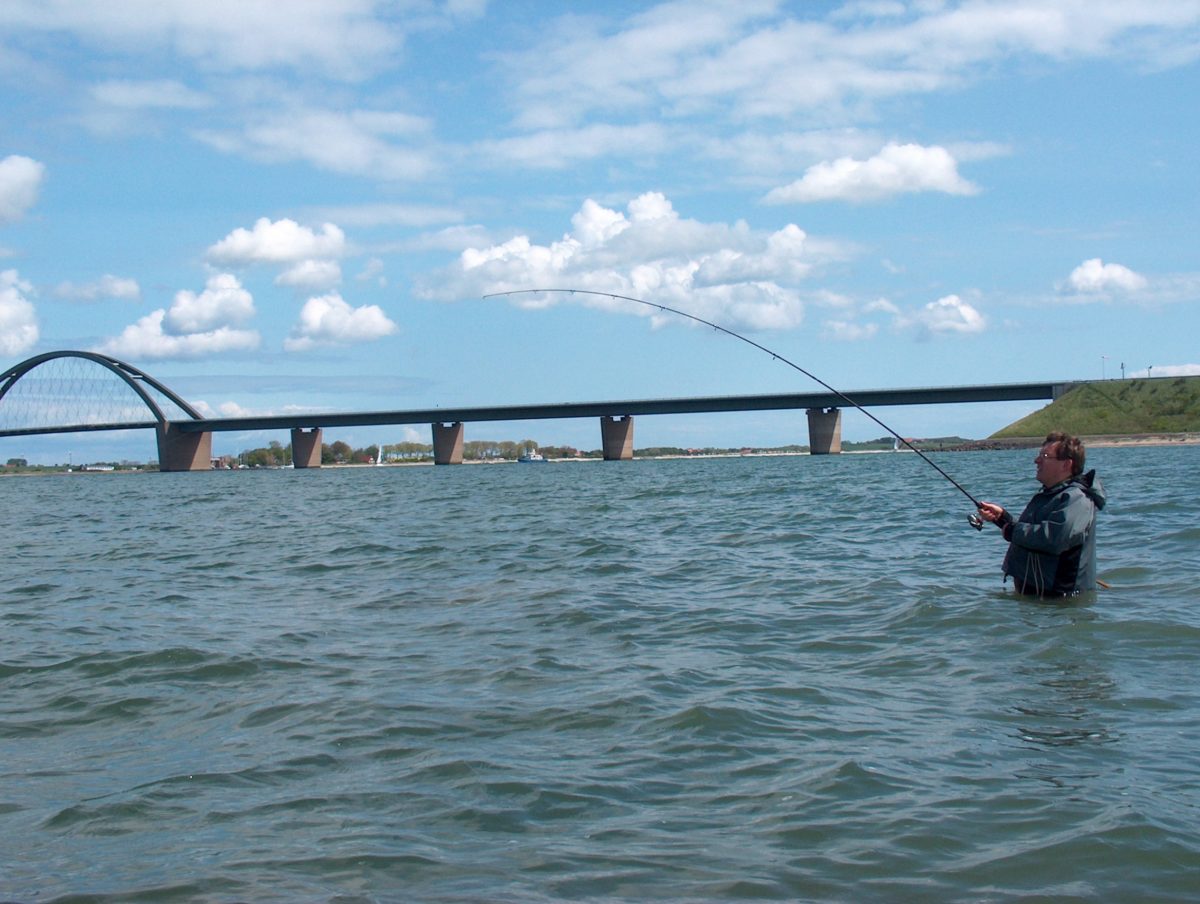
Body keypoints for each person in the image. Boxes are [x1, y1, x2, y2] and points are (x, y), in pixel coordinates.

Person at [976, 432, 1107, 597]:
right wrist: (1003, 519)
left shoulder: (1077, 499)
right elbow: (1035, 532)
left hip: (1059, 603)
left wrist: (1012, 531)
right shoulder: (1052, 495)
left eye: (1045, 456)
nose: (1036, 461)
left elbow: (1055, 537)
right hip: (1038, 601)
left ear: (1066, 464)